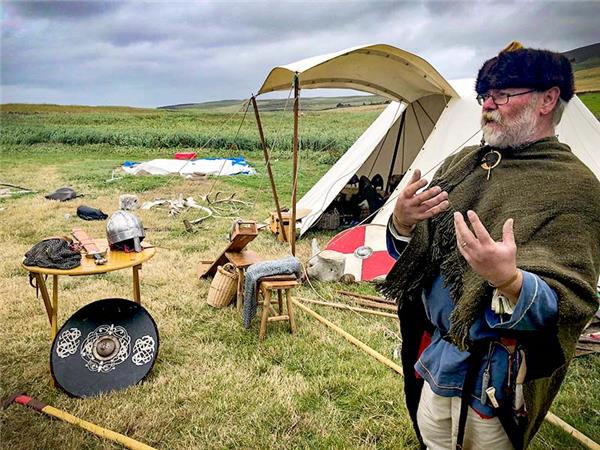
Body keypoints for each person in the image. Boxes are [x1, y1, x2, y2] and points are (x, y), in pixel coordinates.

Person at [381, 42, 600, 450]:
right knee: (432, 442)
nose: (487, 106)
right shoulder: (464, 164)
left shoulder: (577, 188)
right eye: (485, 96)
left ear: (547, 99)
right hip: (439, 355)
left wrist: (510, 281)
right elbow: (422, 255)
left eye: (502, 95)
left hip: (497, 374)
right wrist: (404, 221)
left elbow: (576, 299)